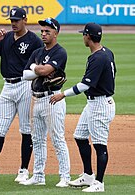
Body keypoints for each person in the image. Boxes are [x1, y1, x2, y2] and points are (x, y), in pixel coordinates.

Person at [0, 8, 43, 183]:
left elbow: (41, 65)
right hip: (7, 87)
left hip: (25, 85)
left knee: (26, 129)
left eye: (17, 20)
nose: (13, 23)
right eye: (11, 20)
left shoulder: (34, 40)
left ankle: (24, 170)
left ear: (25, 20)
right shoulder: (5, 38)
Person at [50, 23, 116, 192]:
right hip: (94, 103)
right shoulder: (105, 52)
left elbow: (84, 86)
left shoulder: (98, 58)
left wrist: (62, 94)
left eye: (83, 35)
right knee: (80, 136)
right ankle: (88, 175)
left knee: (100, 145)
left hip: (100, 104)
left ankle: (99, 183)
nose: (83, 37)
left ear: (89, 36)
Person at [19, 18, 71, 187]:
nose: (43, 34)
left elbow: (43, 70)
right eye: (42, 31)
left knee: (57, 138)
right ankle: (38, 176)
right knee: (38, 139)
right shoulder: (38, 52)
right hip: (36, 98)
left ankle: (65, 177)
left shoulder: (60, 52)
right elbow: (24, 75)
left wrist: (36, 68)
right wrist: (37, 69)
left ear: (56, 33)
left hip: (52, 99)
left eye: (47, 31)